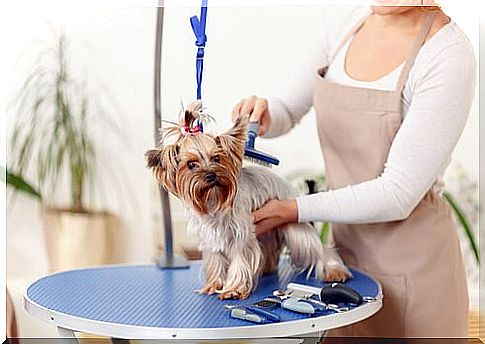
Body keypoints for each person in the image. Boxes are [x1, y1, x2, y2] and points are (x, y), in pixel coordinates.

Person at [232, 1, 476, 338]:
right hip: (344, 265)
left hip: (415, 273)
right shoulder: (348, 26)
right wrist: (264, 115)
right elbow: (288, 109)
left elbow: (398, 193)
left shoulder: (446, 54)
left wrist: (293, 210)